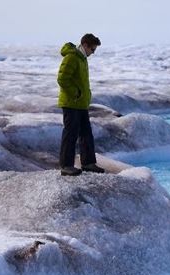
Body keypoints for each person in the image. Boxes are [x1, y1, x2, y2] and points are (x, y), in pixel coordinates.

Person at [57, 33, 105, 176]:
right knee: (70, 134)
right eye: (93, 49)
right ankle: (66, 166)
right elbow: (62, 78)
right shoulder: (71, 57)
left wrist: (85, 96)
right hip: (71, 103)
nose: (93, 52)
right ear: (85, 45)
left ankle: (88, 163)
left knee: (86, 134)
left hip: (81, 104)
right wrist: (76, 93)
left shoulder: (82, 58)